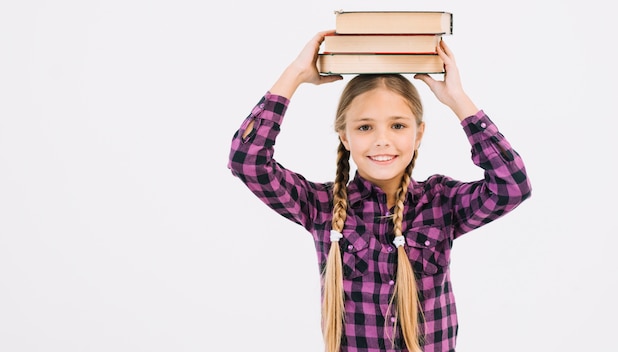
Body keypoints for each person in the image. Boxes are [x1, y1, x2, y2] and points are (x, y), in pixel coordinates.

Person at [227, 30, 532, 352]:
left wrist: (458, 99)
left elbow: (512, 186)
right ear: (344, 137)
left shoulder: (442, 203)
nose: (382, 140)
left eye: (398, 125)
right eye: (364, 127)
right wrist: (294, 75)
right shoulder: (321, 207)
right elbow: (247, 161)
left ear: (418, 134)